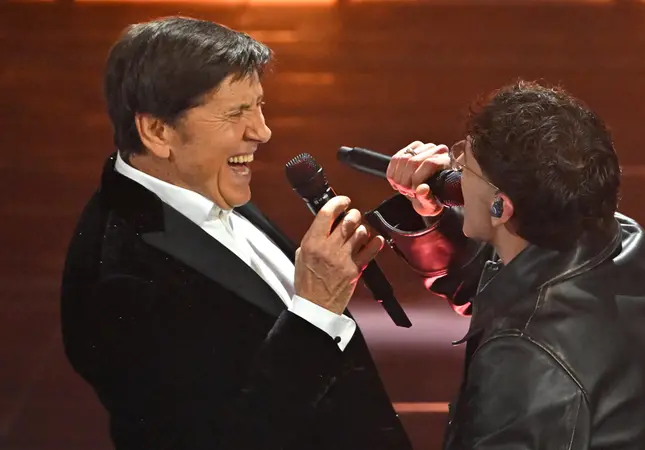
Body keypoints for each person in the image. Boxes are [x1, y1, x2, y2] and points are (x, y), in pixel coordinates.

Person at [60, 17, 414, 450]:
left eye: (258, 106)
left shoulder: (203, 182)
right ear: (157, 131)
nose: (262, 131)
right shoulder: (120, 275)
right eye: (235, 113)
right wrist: (316, 309)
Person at [371, 81, 645, 449]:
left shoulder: (523, 360)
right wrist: (433, 216)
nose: (454, 167)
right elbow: (510, 277)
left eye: (466, 164)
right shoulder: (623, 237)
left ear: (502, 207)